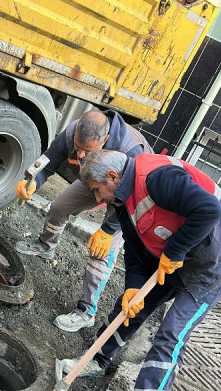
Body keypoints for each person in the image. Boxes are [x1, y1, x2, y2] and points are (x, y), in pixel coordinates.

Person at [59, 149, 221, 391]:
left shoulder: (157, 178)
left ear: (112, 177)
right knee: (131, 306)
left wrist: (175, 251)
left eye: (97, 189)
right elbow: (135, 249)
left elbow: (210, 210)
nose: (97, 198)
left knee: (171, 333)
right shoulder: (122, 201)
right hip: (175, 250)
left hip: (214, 259)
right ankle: (97, 359)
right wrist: (133, 286)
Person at [14, 109, 153, 332]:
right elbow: (49, 161)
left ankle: (86, 310)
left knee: (102, 249)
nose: (80, 154)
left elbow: (134, 197)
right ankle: (46, 246)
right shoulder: (74, 132)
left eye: (87, 150)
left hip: (128, 195)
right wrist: (33, 182)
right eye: (78, 147)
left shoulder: (132, 151)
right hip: (96, 179)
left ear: (105, 140)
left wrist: (108, 230)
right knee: (59, 206)